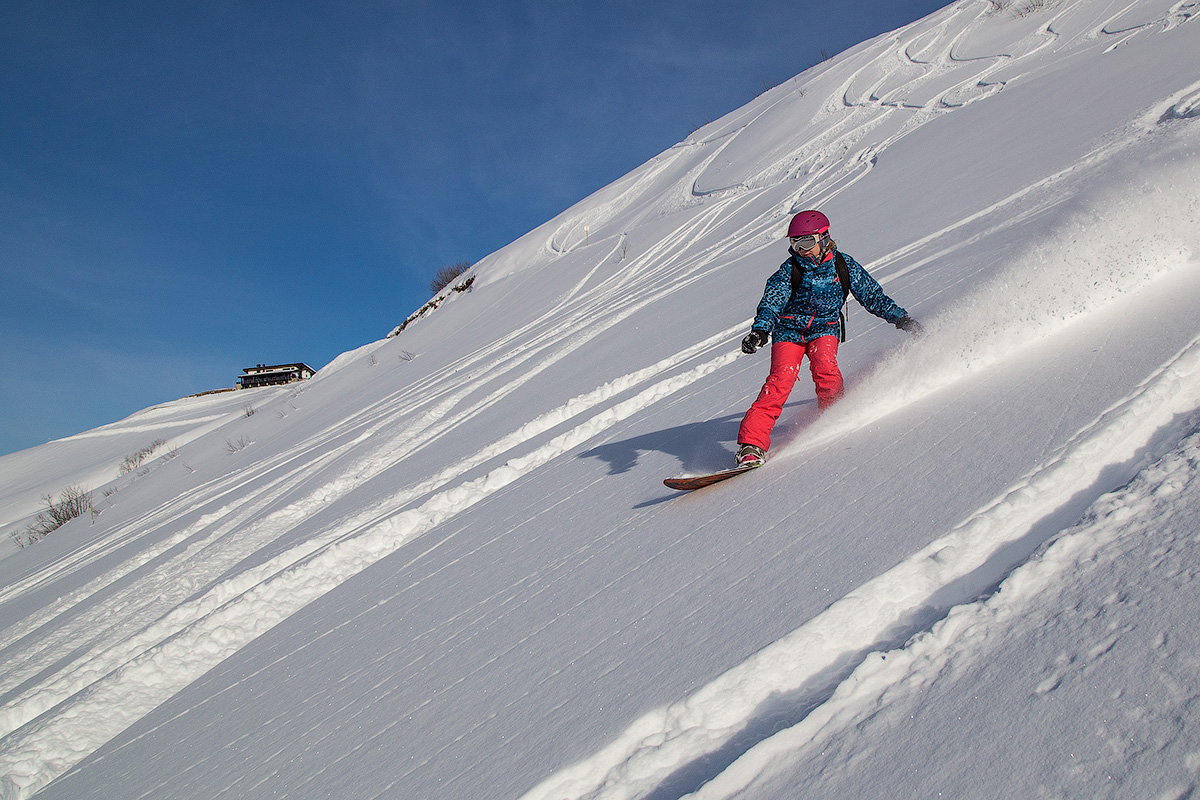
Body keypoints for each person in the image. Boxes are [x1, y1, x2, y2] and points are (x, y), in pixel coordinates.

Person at [735, 210, 922, 467]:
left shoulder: (843, 266)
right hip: (789, 331)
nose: (800, 250)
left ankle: (834, 418)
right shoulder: (789, 270)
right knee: (780, 381)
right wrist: (760, 331)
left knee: (825, 367)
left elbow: (872, 296)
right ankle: (751, 446)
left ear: (824, 239)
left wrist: (901, 319)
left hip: (824, 329)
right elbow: (772, 301)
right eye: (794, 243)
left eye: (806, 242)